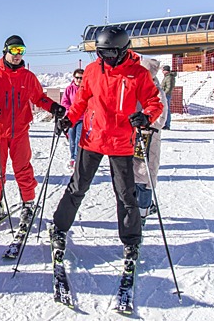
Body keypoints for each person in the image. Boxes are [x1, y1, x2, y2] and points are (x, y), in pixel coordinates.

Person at [51, 27, 163, 261]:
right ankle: (59, 228)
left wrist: (146, 116)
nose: (105, 58)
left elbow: (154, 101)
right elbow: (81, 101)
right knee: (78, 187)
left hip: (121, 141)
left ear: (123, 50)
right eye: (101, 53)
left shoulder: (138, 74)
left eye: (110, 53)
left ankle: (131, 240)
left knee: (125, 194)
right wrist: (69, 120)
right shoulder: (92, 71)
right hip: (92, 139)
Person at [0, 35, 66, 230]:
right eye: (14, 50)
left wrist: (54, 107)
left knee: (23, 169)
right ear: (5, 51)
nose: (17, 54)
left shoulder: (27, 77)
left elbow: (40, 98)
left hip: (20, 132)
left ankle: (28, 203)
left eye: (21, 50)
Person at [136, 59, 168, 226]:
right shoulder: (136, 87)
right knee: (133, 175)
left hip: (149, 137)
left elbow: (161, 118)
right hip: (134, 135)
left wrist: (145, 122)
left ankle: (143, 209)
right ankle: (137, 207)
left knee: (145, 175)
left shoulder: (157, 91)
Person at [61, 68, 84, 169]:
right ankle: (72, 157)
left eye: (81, 78)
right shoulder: (69, 89)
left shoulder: (85, 89)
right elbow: (64, 102)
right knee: (71, 139)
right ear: (74, 78)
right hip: (71, 118)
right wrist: (70, 110)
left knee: (79, 139)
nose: (79, 80)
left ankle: (76, 158)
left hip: (82, 118)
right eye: (77, 77)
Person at [161, 65, 176, 130]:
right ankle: (166, 124)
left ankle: (167, 125)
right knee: (165, 109)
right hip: (165, 95)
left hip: (166, 95)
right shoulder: (167, 77)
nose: (162, 71)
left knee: (166, 110)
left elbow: (168, 87)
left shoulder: (169, 77)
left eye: (163, 70)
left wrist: (164, 94)